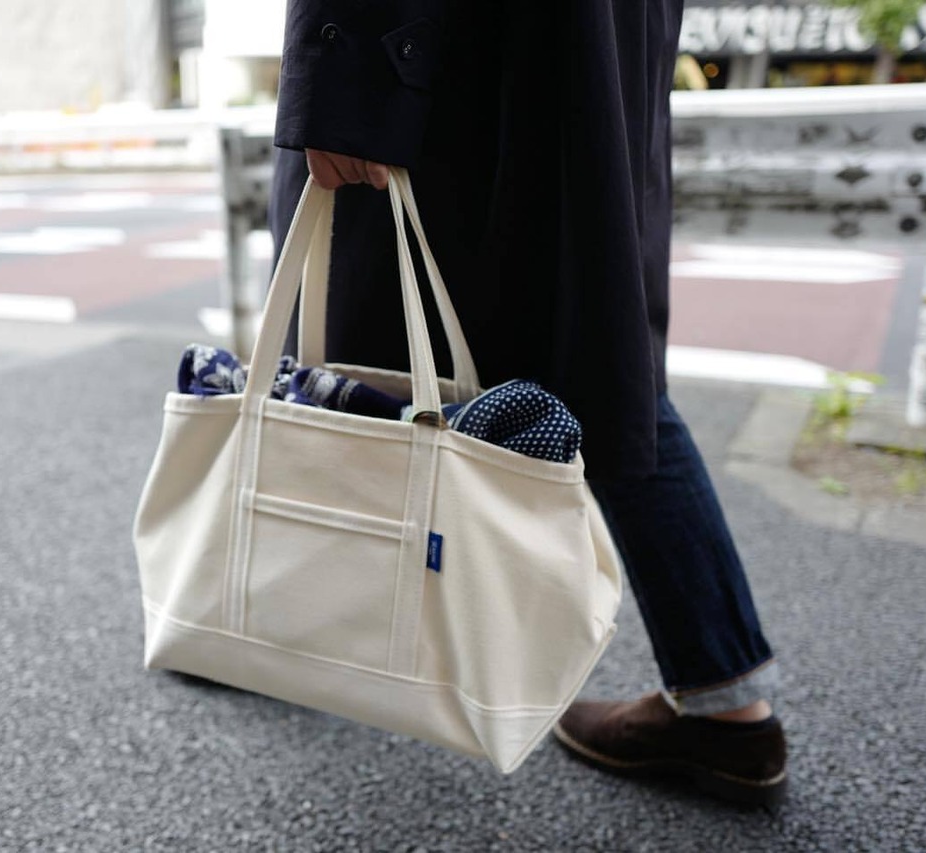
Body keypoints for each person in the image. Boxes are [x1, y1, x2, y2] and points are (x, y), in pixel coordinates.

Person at [268, 0, 785, 807]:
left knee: (348, 352)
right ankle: (726, 701)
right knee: (602, 366)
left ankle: (270, 613)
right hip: (587, 50)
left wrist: (339, 82)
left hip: (435, 54)